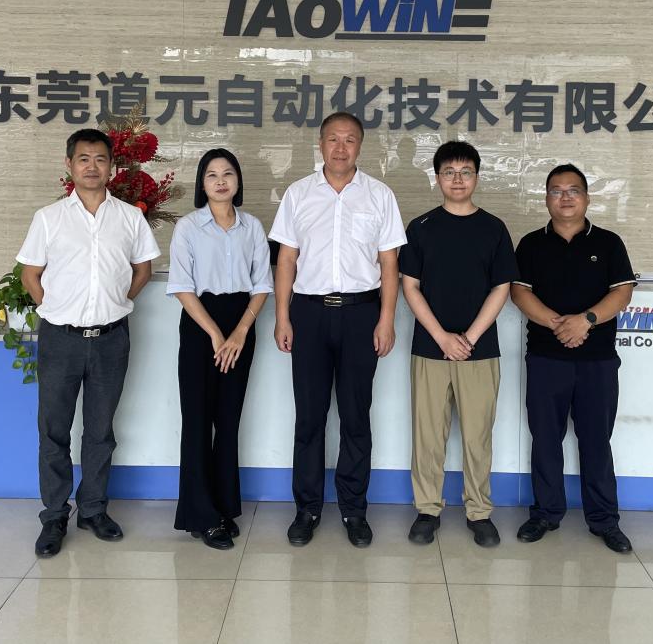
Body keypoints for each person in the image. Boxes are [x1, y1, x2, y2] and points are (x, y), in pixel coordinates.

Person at [17, 128, 160, 558]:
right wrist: (56, 310)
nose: (92, 166)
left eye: (100, 159)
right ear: (69, 165)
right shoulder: (49, 218)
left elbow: (143, 270)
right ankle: (54, 515)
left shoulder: (129, 217)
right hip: (60, 339)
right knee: (54, 430)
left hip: (111, 339)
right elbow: (30, 274)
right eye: (83, 159)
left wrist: (116, 303)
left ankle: (94, 509)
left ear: (112, 166)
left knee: (100, 431)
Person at [269, 111, 406, 548]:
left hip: (361, 314)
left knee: (355, 416)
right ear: (321, 144)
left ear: (360, 146)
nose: (340, 148)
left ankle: (354, 509)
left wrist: (387, 319)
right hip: (308, 314)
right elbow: (286, 259)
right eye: (333, 139)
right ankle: (307, 509)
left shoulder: (379, 195)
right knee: (309, 417)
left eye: (349, 140)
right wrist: (283, 316)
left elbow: (389, 264)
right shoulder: (298, 194)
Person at [510, 164, 636, 553]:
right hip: (546, 358)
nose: (565, 197)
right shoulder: (531, 244)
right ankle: (546, 514)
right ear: (546, 198)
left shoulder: (609, 243)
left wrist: (586, 321)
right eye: (556, 190)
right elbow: (519, 292)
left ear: (586, 197)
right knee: (545, 439)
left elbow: (622, 292)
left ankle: (604, 520)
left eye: (573, 190)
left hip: (597, 360)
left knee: (596, 440)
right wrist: (558, 324)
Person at [399, 140, 517, 548]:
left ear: (477, 178)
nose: (458, 179)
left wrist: (468, 338)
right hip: (429, 348)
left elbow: (502, 287)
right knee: (427, 435)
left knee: (477, 435)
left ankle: (479, 512)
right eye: (449, 172)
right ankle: (427, 510)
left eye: (466, 172)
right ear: (437, 179)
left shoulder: (494, 228)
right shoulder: (420, 227)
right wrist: (442, 337)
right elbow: (410, 287)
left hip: (479, 351)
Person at [167, 149, 271, 550]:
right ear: (202, 183)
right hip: (200, 326)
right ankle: (201, 515)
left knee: (228, 421)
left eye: (228, 173)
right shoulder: (189, 227)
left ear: (238, 180)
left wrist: (240, 331)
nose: (221, 180)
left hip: (241, 322)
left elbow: (261, 285)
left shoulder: (252, 227)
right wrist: (214, 333)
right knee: (197, 420)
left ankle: (224, 507)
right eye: (212, 175)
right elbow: (182, 286)